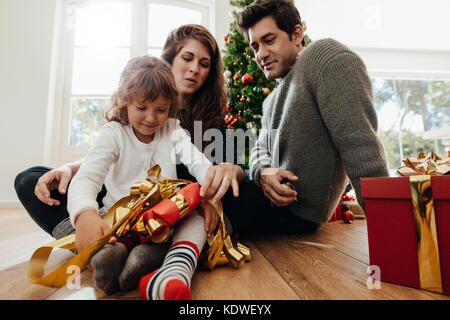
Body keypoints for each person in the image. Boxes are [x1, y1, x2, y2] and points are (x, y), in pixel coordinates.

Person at [14, 24, 246, 298]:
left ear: (170, 107)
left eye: (160, 110)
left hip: (161, 222)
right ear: (125, 102)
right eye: (141, 108)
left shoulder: (173, 129)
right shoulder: (114, 133)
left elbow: (199, 164)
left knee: (193, 217)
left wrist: (209, 191)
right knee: (34, 182)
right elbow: (89, 176)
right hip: (114, 220)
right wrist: (85, 214)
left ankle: (149, 259)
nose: (151, 118)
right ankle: (99, 249)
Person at [227, 0, 389, 233]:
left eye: (269, 40)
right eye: (255, 47)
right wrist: (263, 171)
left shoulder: (325, 57)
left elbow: (361, 148)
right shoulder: (270, 100)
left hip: (295, 214)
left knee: (203, 199)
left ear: (296, 34)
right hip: (265, 201)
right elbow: (258, 150)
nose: (261, 54)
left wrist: (393, 232)